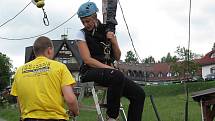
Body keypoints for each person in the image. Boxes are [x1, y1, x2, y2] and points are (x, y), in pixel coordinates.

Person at [75, 2, 145, 121]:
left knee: (139, 94)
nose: (85, 24)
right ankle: (112, 117)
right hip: (90, 71)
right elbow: (88, 60)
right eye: (83, 22)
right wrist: (110, 69)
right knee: (116, 75)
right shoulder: (81, 34)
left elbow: (117, 56)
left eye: (87, 21)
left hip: (110, 74)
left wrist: (114, 41)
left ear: (95, 17)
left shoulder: (107, 30)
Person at [10, 36, 79, 121]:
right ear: (49, 50)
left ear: (35, 52)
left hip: (28, 118)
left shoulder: (19, 71)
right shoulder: (60, 67)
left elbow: (19, 101)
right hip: (55, 118)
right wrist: (75, 111)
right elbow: (70, 99)